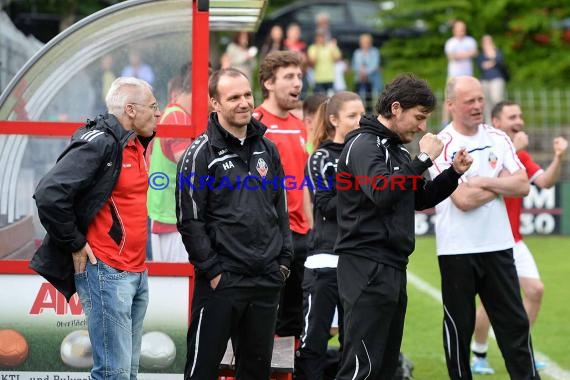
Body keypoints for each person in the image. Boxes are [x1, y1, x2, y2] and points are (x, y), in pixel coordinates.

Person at [335, 74, 473, 380]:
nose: (422, 126)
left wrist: (452, 174)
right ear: (396, 108)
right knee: (361, 367)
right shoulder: (363, 145)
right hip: (365, 265)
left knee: (385, 367)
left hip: (392, 266)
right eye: (419, 117)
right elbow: (382, 192)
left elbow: (419, 197)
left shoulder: (395, 149)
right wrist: (423, 158)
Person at [30, 77, 160, 379]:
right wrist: (74, 242)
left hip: (136, 272)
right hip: (107, 272)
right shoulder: (101, 142)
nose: (158, 113)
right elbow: (50, 192)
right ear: (130, 109)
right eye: (153, 107)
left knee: (126, 371)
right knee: (112, 373)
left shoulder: (135, 141)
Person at [175, 68, 293, 380]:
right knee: (201, 372)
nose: (243, 103)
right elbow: (189, 220)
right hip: (222, 283)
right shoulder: (199, 153)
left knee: (255, 373)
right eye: (233, 97)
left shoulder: (268, 148)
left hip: (266, 280)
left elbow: (279, 208)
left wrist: (284, 260)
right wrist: (213, 272)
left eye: (246, 95)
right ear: (214, 103)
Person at [428, 76, 540, 380]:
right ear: (451, 105)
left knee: (515, 328)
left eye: (480, 99)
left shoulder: (498, 137)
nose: (478, 106)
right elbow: (463, 199)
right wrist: (503, 183)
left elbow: (523, 186)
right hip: (457, 251)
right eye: (470, 101)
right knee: (459, 330)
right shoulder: (442, 144)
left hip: (498, 247)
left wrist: (485, 181)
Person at [471, 100, 568, 374]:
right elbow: (483, 182)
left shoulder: (519, 155)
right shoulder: (488, 146)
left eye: (521, 116)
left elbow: (545, 182)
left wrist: (559, 158)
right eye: (513, 116)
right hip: (487, 240)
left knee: (535, 290)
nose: (520, 121)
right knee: (490, 301)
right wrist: (516, 148)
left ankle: (522, 349)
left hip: (513, 240)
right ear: (497, 122)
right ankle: (479, 354)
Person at [296, 91, 365, 380]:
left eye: (363, 115)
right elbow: (326, 205)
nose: (360, 121)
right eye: (352, 116)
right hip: (324, 262)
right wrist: (366, 195)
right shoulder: (321, 157)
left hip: (357, 264)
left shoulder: (366, 154)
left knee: (354, 343)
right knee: (313, 342)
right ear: (334, 119)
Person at [254, 50, 309, 340]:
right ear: (268, 83)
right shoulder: (255, 124)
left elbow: (304, 182)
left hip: (300, 234)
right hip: (268, 236)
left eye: (299, 76)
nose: (297, 83)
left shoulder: (300, 127)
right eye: (289, 77)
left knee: (295, 317)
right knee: (265, 316)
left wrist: (311, 228)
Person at [147, 66, 193, 262]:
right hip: (173, 221)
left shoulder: (171, 112)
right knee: (178, 287)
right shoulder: (178, 118)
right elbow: (190, 169)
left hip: (166, 215)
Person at [443, 20, 477, 124]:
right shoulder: (450, 42)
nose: (462, 31)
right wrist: (466, 54)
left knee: (469, 98)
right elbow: (452, 56)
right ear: (454, 30)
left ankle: (468, 120)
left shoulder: (470, 41)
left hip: (468, 76)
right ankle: (444, 122)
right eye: (459, 29)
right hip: (453, 75)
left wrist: (459, 55)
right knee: (449, 98)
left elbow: (474, 53)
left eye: (463, 29)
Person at [476, 34, 507, 123]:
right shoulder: (481, 54)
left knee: (497, 99)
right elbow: (482, 65)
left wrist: (492, 58)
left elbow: (499, 61)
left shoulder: (497, 52)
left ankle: (500, 120)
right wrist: (492, 62)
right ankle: (489, 122)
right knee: (486, 102)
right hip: (485, 80)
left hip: (497, 78)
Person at [351, 33, 383, 109]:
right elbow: (354, 65)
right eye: (363, 42)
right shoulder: (357, 53)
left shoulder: (375, 52)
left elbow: (375, 65)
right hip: (360, 79)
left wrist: (365, 72)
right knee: (359, 98)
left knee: (373, 99)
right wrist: (361, 71)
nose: (365, 44)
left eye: (367, 42)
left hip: (373, 80)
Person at [307, 31, 342, 95]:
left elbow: (337, 60)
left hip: (330, 78)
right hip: (318, 79)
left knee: (330, 99)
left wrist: (333, 48)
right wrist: (317, 49)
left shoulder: (331, 46)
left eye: (323, 37)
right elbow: (312, 63)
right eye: (319, 37)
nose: (321, 39)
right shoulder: (312, 48)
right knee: (318, 100)